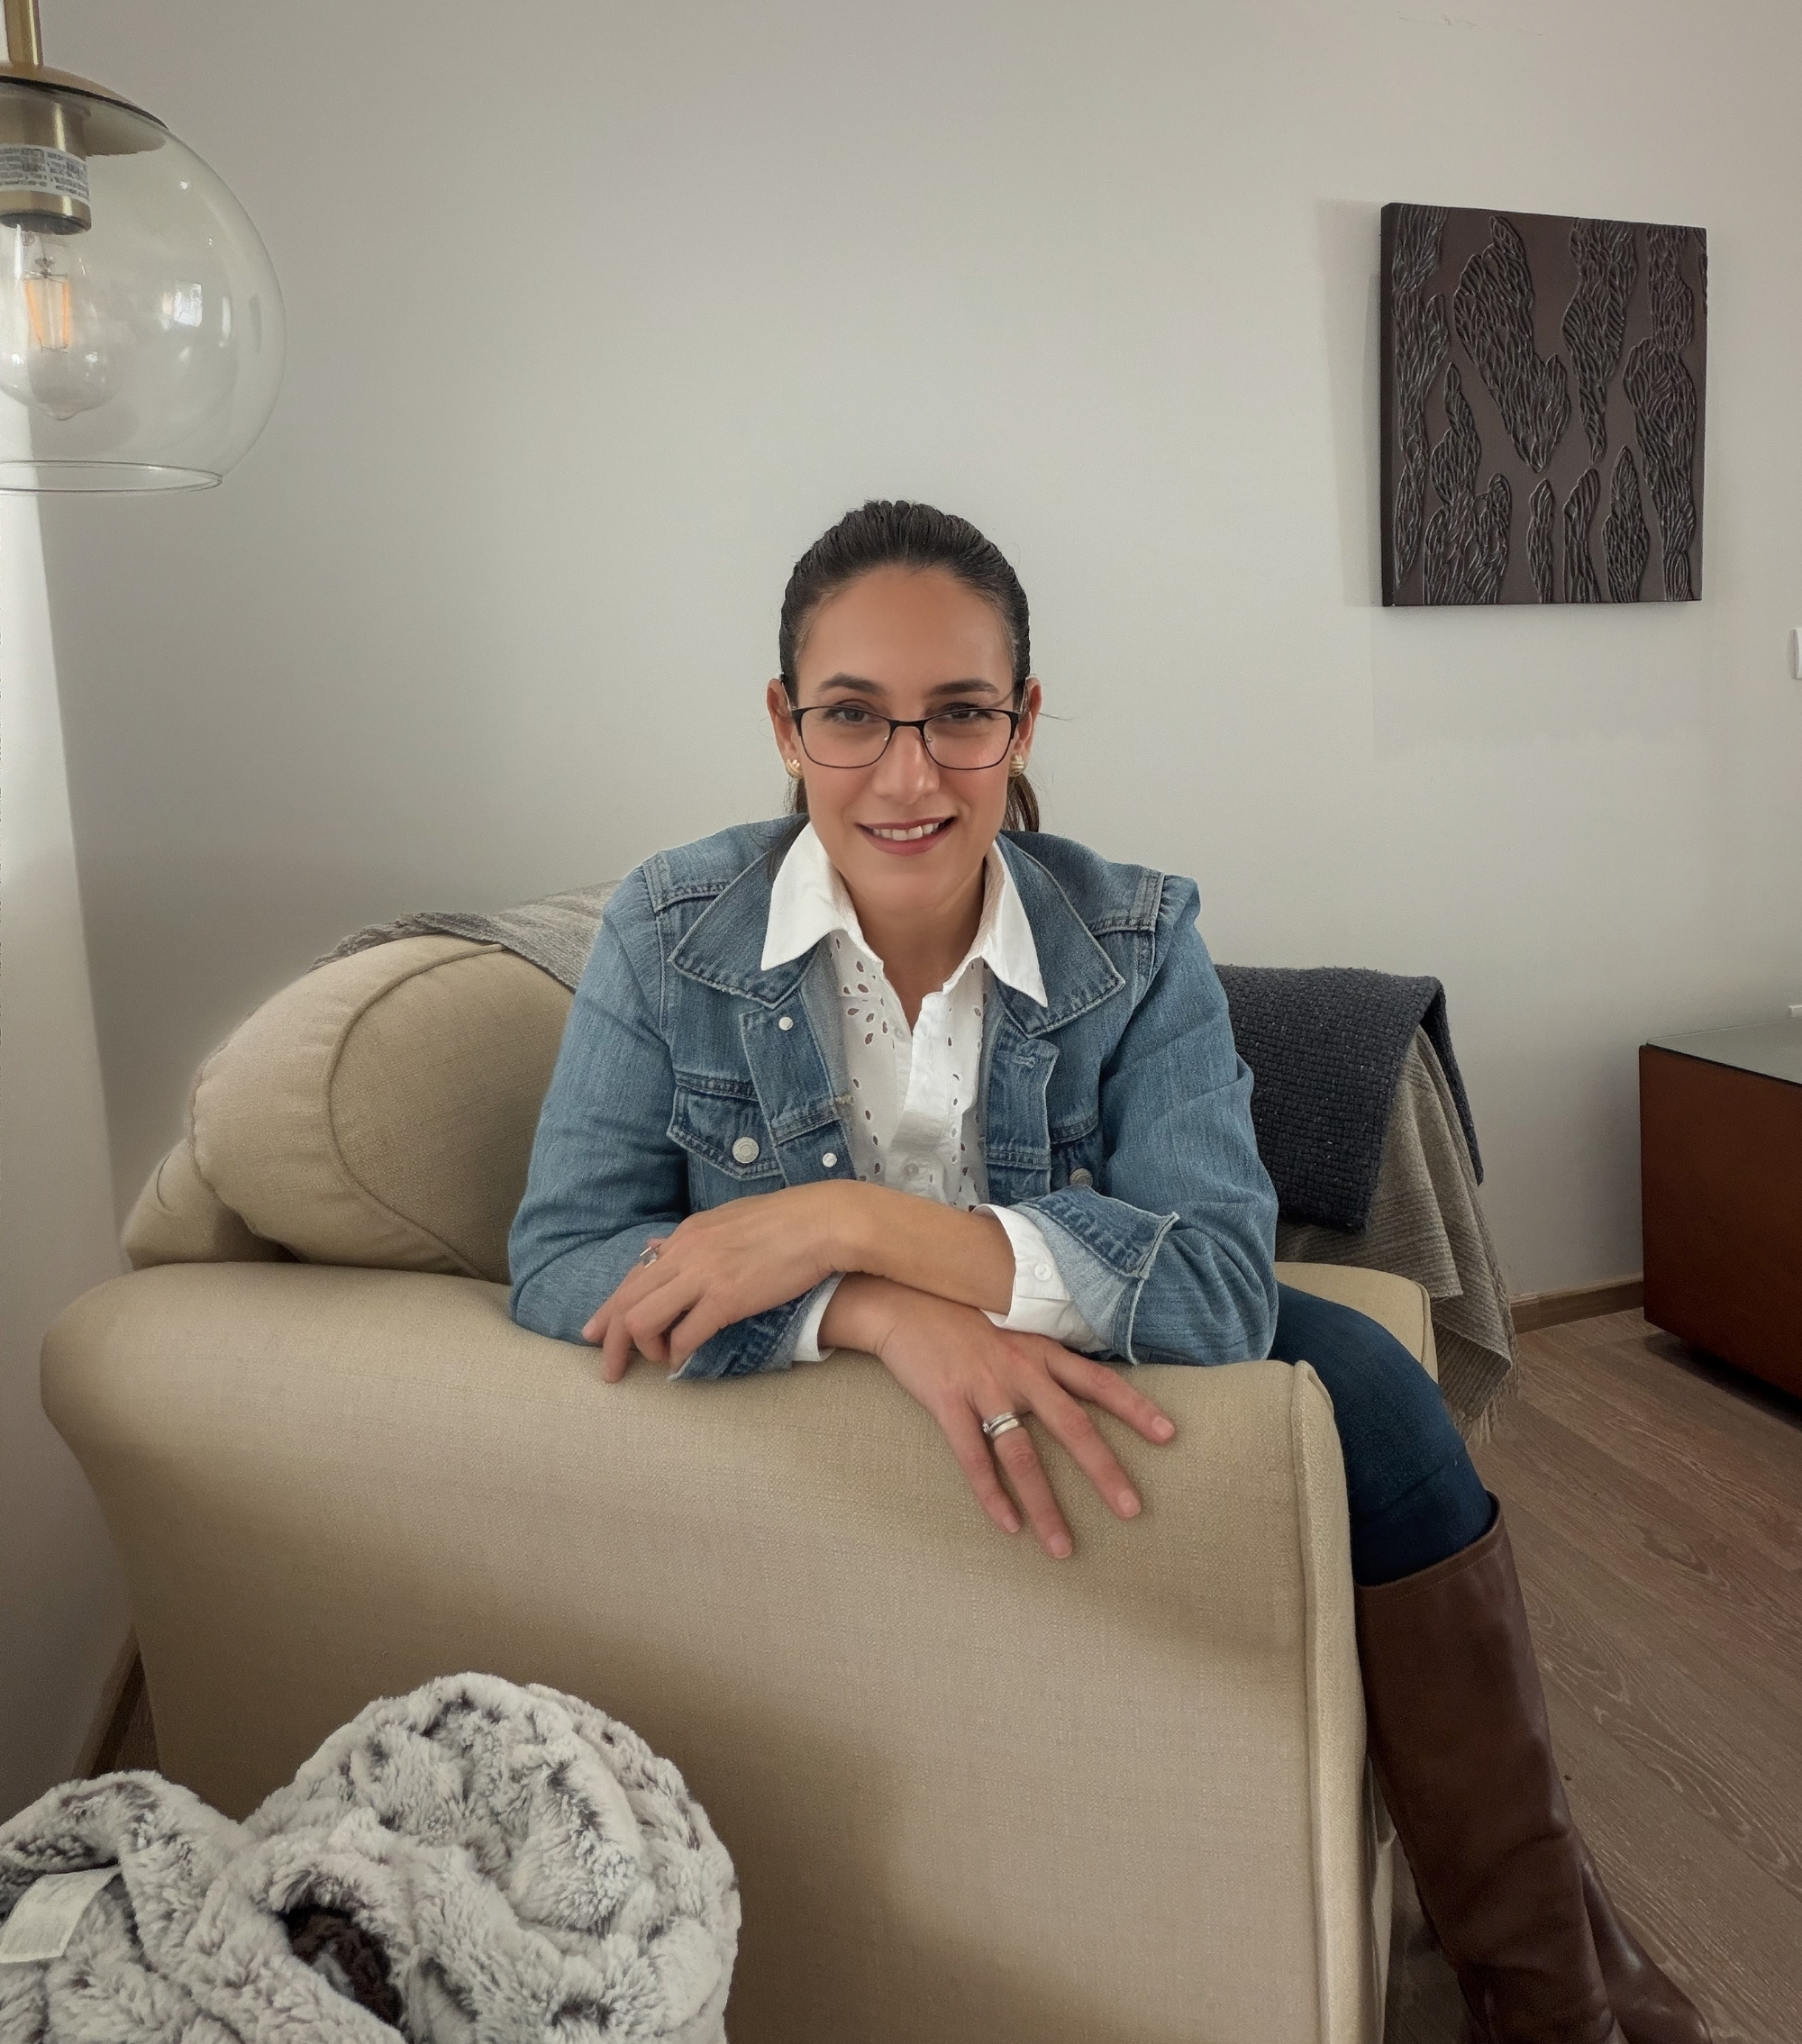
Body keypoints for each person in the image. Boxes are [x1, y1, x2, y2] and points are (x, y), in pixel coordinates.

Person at [509, 499, 1706, 2044]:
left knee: (1386, 1403)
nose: (909, 773)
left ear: (1022, 719)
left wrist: (848, 1223)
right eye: (854, 718)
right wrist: (877, 1314)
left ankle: (1550, 1995)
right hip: (945, 1356)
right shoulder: (668, 931)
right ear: (784, 723)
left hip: (1104, 1323)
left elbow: (1213, 1282)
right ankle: (1584, 1990)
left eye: (960, 717)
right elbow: (561, 1256)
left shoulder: (1141, 935)